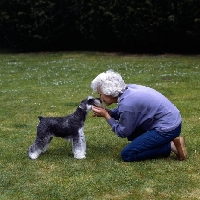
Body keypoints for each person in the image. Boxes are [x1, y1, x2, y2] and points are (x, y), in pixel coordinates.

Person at [91, 70, 187, 162]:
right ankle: (159, 142)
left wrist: (107, 116)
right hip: (172, 122)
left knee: (127, 154)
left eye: (100, 94)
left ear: (109, 92)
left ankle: (171, 146)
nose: (101, 98)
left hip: (168, 130)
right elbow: (125, 112)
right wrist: (110, 113)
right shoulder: (128, 90)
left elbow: (123, 132)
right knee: (133, 132)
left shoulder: (127, 103)